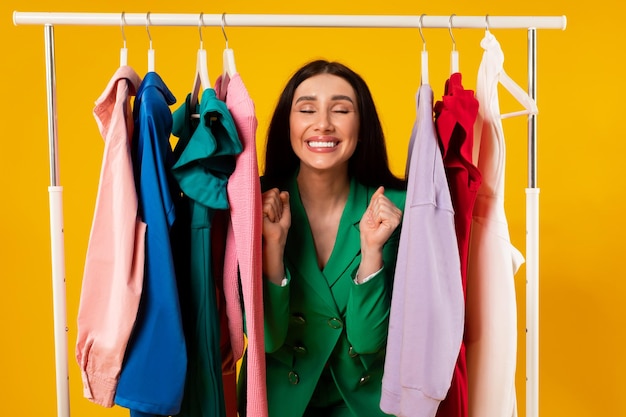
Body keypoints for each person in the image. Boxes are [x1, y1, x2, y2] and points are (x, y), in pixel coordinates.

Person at [240, 59, 406, 417]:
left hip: (369, 407)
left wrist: (372, 251)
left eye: (341, 110)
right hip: (278, 405)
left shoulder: (398, 210)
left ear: (362, 127)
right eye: (307, 109)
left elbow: (366, 341)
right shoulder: (249, 203)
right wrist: (273, 248)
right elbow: (266, 340)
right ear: (289, 124)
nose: (323, 124)